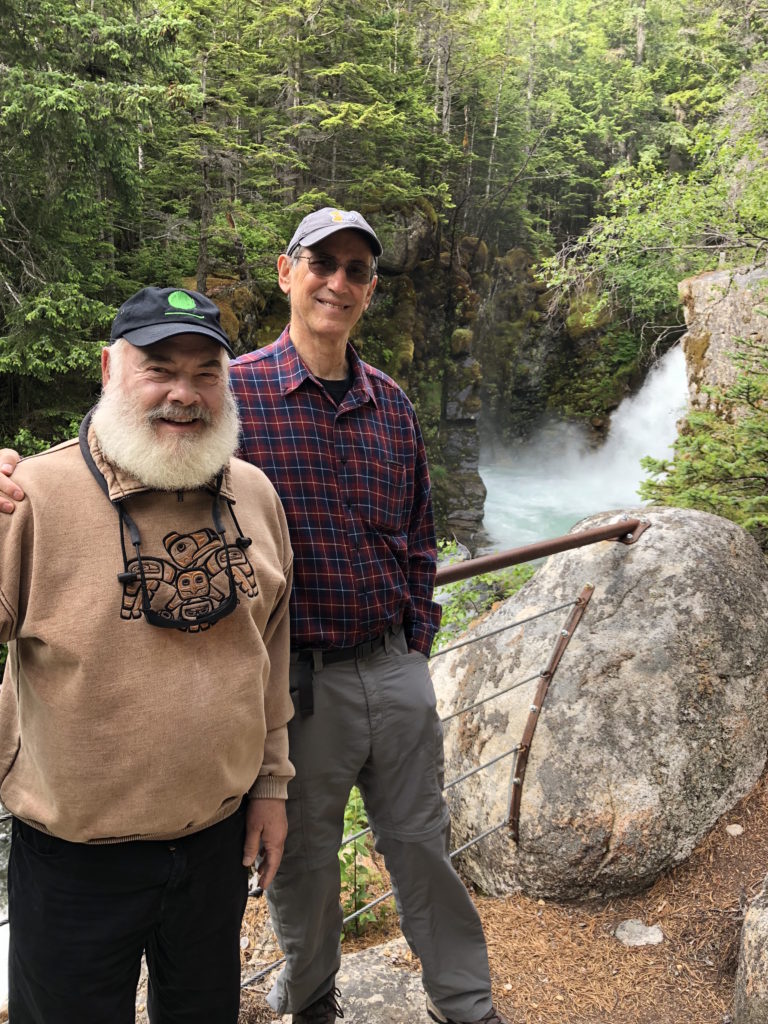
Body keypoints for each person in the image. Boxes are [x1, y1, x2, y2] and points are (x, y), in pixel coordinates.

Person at [0, 211, 509, 1024]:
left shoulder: (330, 440)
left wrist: (416, 642)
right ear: (286, 271)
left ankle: (467, 1004)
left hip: (322, 725)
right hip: (122, 818)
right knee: (302, 869)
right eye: (159, 368)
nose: (184, 392)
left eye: (356, 269)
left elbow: (413, 537)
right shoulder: (60, 492)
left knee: (418, 847)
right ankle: (310, 1000)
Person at [0, 286, 295, 1024]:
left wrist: (272, 783)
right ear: (109, 368)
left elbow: (272, 653)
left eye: (205, 373)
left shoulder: (256, 495)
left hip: (215, 846)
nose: (184, 394)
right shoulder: (31, 496)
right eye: (159, 368)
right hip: (74, 858)